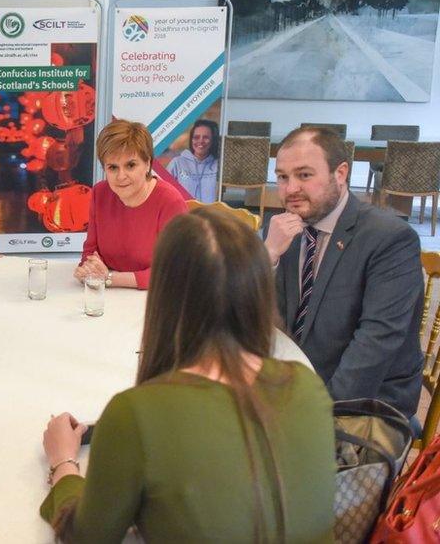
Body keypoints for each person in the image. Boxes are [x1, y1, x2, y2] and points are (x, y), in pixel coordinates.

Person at [41, 207, 336, 542]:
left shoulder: (137, 414)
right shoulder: (306, 384)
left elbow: (86, 536)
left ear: (165, 297)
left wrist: (62, 462)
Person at [265, 126, 423, 420]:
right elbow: (257, 319)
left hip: (365, 403)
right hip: (294, 384)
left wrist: (316, 415)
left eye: (304, 175)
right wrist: (268, 257)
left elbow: (376, 342)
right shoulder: (283, 230)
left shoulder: (389, 238)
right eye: (282, 177)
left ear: (340, 174)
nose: (290, 189)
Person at [76, 120, 187, 290]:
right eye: (113, 167)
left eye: (130, 165)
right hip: (106, 296)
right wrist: (89, 269)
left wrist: (110, 278)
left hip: (155, 298)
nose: (121, 176)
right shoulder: (99, 193)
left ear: (148, 163)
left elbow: (173, 272)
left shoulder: (170, 202)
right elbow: (90, 253)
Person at [166, 119, 220, 203]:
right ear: (191, 140)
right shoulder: (177, 163)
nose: (200, 141)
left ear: (213, 140)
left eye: (206, 137)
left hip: (210, 215)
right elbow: (165, 192)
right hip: (184, 215)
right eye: (196, 137)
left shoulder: (219, 165)